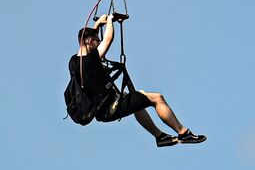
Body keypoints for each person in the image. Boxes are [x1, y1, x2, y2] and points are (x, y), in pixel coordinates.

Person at [69, 13, 205, 147]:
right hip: (110, 109)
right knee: (157, 98)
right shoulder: (90, 61)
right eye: (97, 40)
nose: (99, 42)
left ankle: (160, 137)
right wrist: (110, 20)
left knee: (138, 100)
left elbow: (89, 43)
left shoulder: (74, 62)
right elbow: (108, 39)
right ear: (90, 41)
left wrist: (97, 25)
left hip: (102, 109)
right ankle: (183, 133)